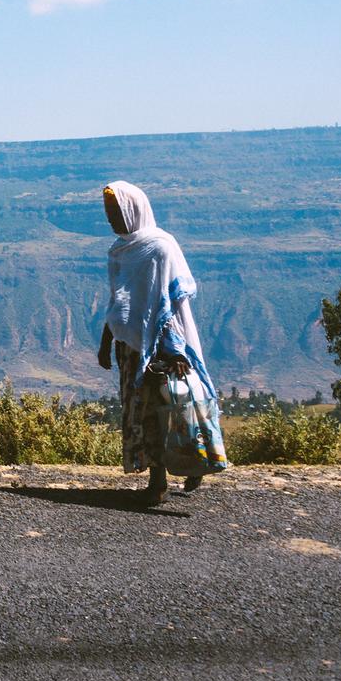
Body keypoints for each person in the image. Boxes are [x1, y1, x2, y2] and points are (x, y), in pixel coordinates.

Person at [97, 181, 229, 504]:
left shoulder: (161, 247)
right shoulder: (119, 251)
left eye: (116, 211)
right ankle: (159, 481)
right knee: (145, 413)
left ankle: (182, 470)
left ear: (133, 210)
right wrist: (106, 342)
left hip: (161, 347)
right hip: (130, 348)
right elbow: (119, 303)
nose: (111, 219)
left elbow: (170, 303)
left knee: (169, 410)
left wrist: (175, 349)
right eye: (109, 212)